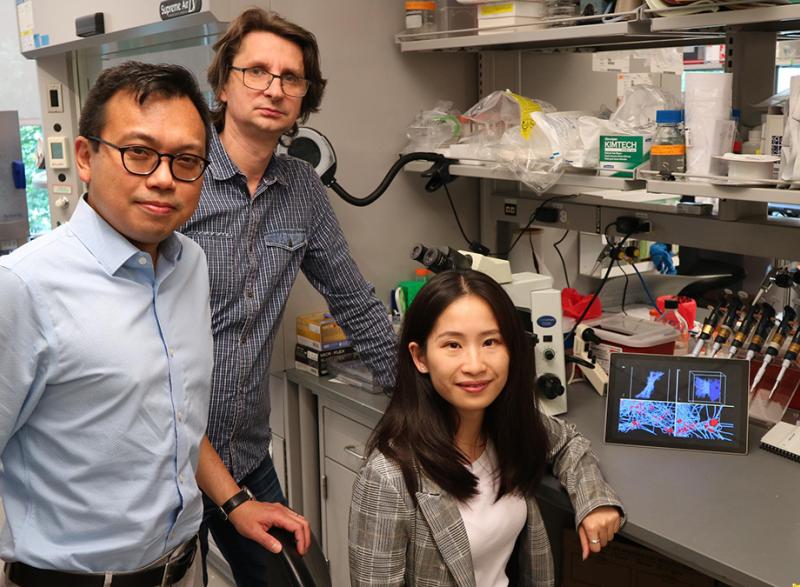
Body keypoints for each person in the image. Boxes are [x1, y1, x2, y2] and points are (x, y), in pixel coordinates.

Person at [182, 8, 397, 583]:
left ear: (305, 97)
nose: (274, 88)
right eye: (256, 71)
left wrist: (425, 398)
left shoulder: (300, 189)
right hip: (168, 461)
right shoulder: (180, 178)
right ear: (224, 83)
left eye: (291, 78)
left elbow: (354, 301)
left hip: (245, 453)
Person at [0, 62, 214, 585]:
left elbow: (174, 416)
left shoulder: (191, 265)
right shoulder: (23, 285)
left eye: (186, 160)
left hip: (184, 566)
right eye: (139, 153)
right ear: (85, 157)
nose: (164, 178)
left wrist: (235, 502)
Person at [349, 270, 625, 587]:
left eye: (490, 341)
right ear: (420, 357)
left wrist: (595, 500)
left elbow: (567, 443)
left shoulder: (505, 426)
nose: (476, 364)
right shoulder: (389, 477)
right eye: (453, 345)